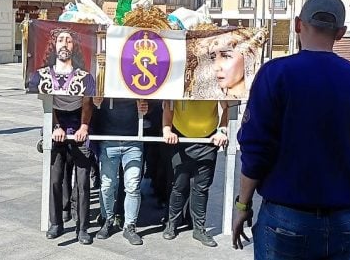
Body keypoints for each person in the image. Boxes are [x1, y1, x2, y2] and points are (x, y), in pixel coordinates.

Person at [232, 0, 350, 259]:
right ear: (340, 33)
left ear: (297, 25)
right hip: (347, 222)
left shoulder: (275, 74)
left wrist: (242, 205)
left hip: (287, 221)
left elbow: (256, 151)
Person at [161, 100, 229, 247]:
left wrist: (222, 130)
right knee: (179, 185)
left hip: (208, 140)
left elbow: (226, 106)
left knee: (201, 188)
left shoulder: (215, 82)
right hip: (180, 139)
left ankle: (199, 228)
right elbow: (169, 103)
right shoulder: (180, 79)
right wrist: (167, 129)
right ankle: (172, 224)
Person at [94, 97, 148, 246]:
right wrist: (95, 103)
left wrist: (147, 107)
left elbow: (156, 98)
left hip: (134, 140)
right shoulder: (105, 80)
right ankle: (107, 219)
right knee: (107, 185)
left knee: (132, 186)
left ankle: (130, 225)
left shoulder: (138, 80)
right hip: (108, 139)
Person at [46, 95, 94, 245]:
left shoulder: (83, 77)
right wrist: (56, 126)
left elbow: (87, 102)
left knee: (83, 183)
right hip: (57, 131)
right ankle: (56, 223)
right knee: (55, 180)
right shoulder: (50, 76)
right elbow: (47, 102)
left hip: (79, 128)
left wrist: (84, 126)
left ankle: (82, 227)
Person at [28, 28, 96, 96]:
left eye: (69, 41)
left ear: (74, 46)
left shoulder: (86, 78)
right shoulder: (39, 75)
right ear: (54, 45)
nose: (64, 45)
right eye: (60, 40)